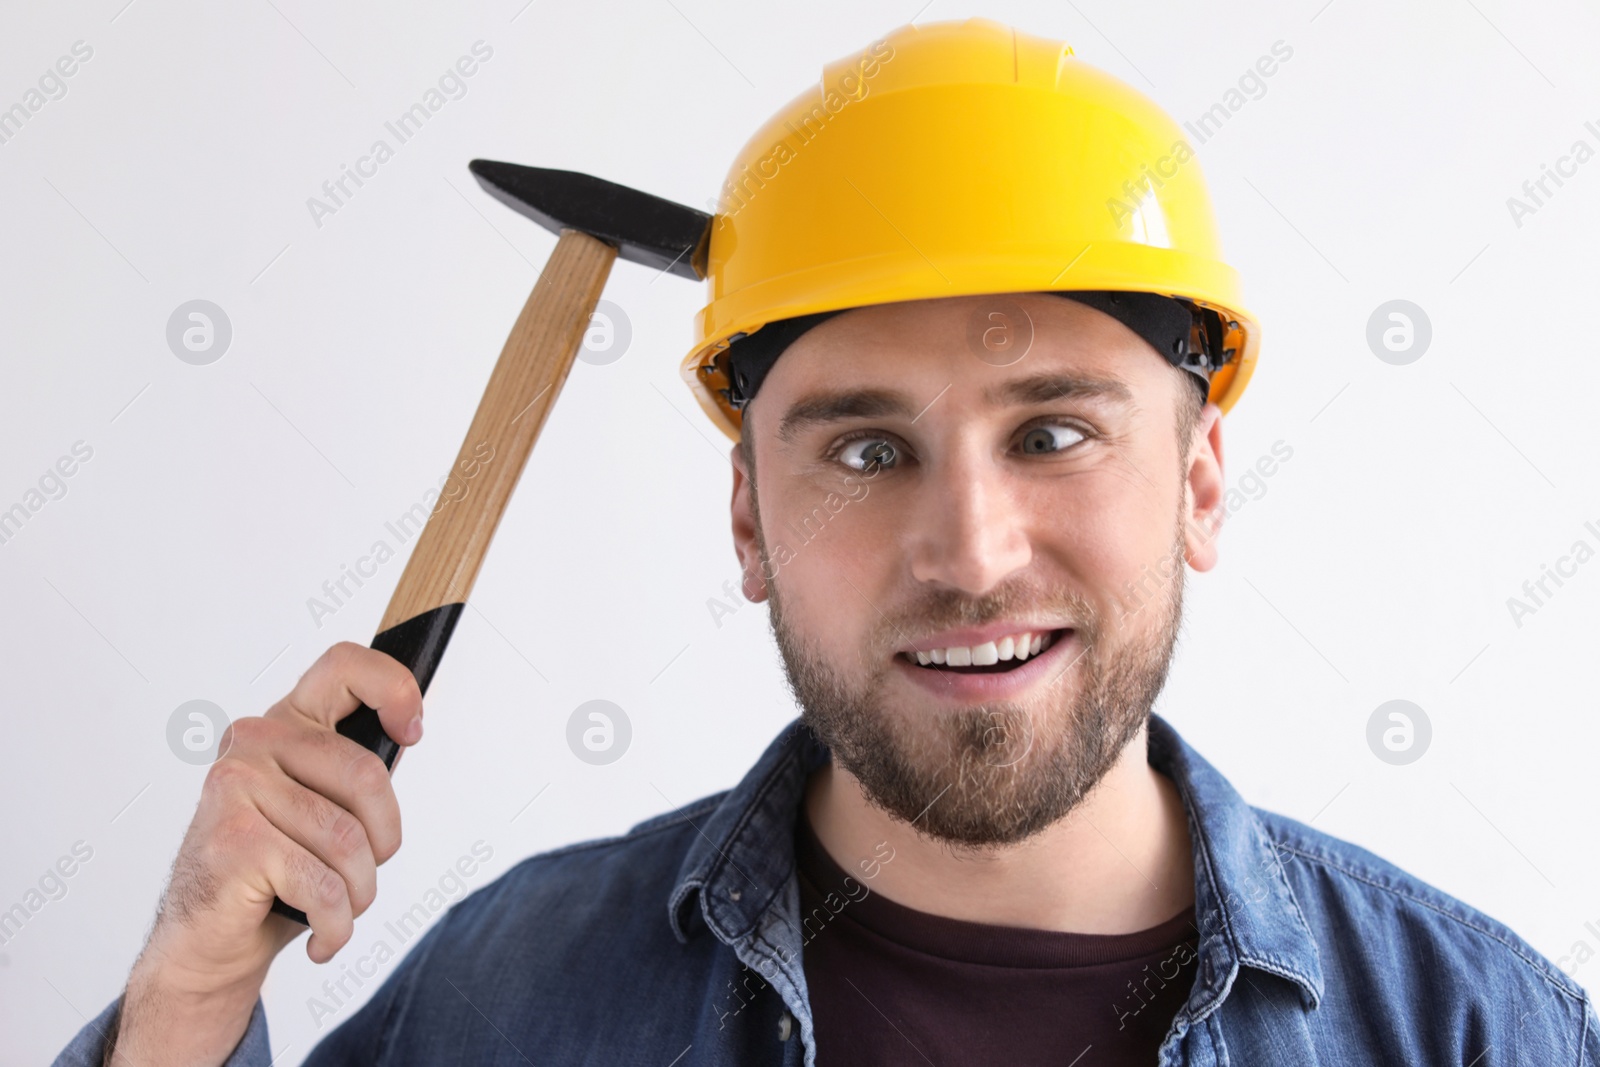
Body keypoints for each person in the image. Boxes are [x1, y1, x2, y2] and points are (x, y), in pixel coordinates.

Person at [56, 18, 1599, 1067]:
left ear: (1199, 482)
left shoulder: (1475, 1029)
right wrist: (187, 1005)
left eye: (1054, 432)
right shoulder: (517, 994)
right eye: (867, 449)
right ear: (747, 516)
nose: (972, 549)